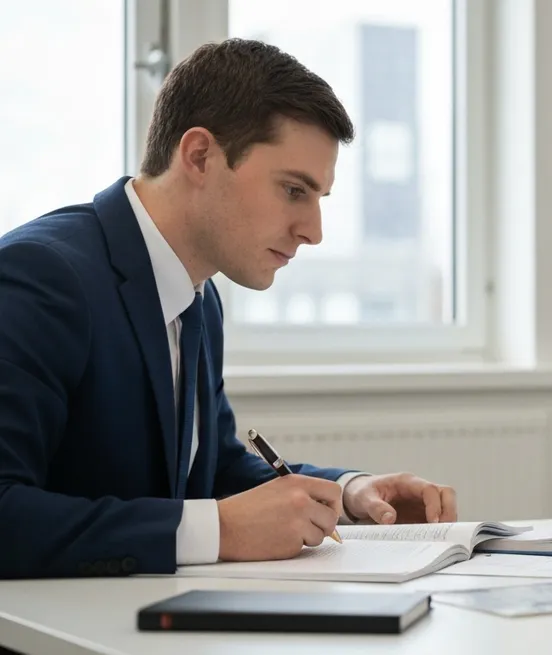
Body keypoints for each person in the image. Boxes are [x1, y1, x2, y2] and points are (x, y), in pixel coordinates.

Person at [0, 38, 457, 580]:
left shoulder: (199, 295)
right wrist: (220, 531)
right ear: (199, 156)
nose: (312, 231)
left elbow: (211, 473)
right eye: (293, 190)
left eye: (317, 200)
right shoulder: (42, 276)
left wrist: (350, 492)